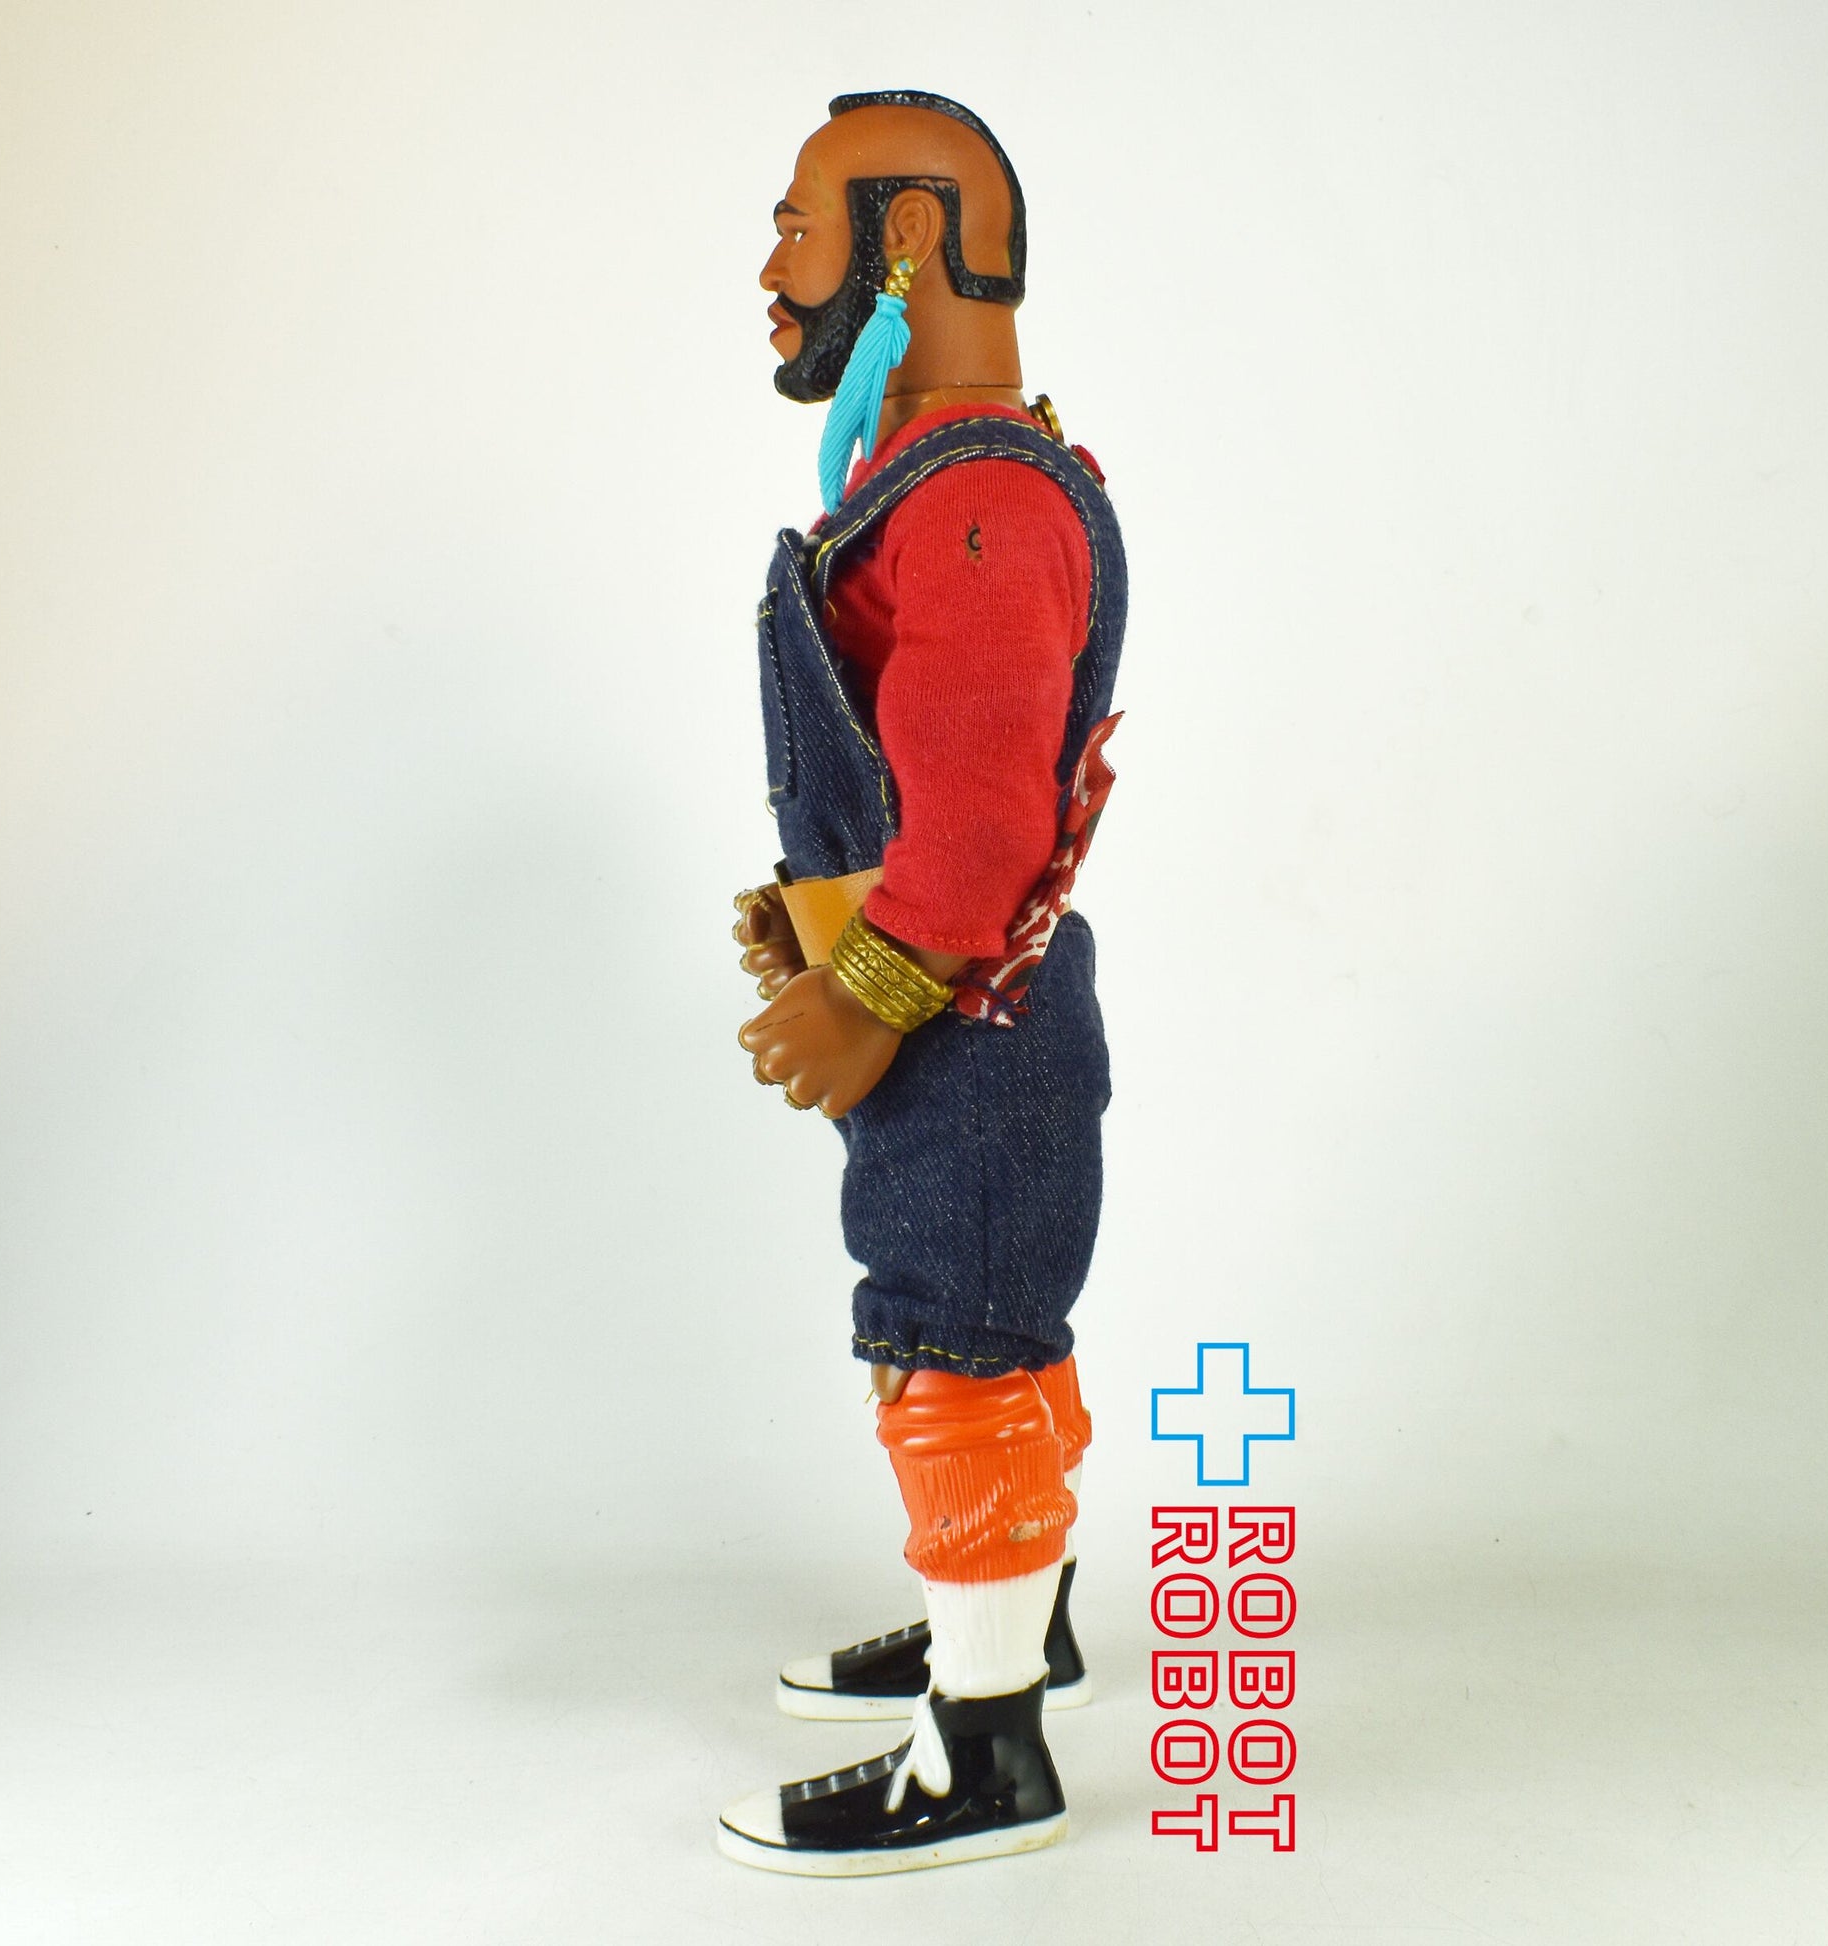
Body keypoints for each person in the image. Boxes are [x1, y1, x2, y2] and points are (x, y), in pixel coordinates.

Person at [717, 89, 1128, 1876]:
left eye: (797, 225)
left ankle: (985, 1746)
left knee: (947, 1351)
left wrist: (863, 990)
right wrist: (807, 919)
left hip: (967, 1029)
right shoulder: (943, 480)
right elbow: (912, 783)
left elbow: (976, 821)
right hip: (963, 1020)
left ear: (901, 242)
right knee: (987, 1327)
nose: (771, 266)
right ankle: (1013, 1615)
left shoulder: (974, 501)